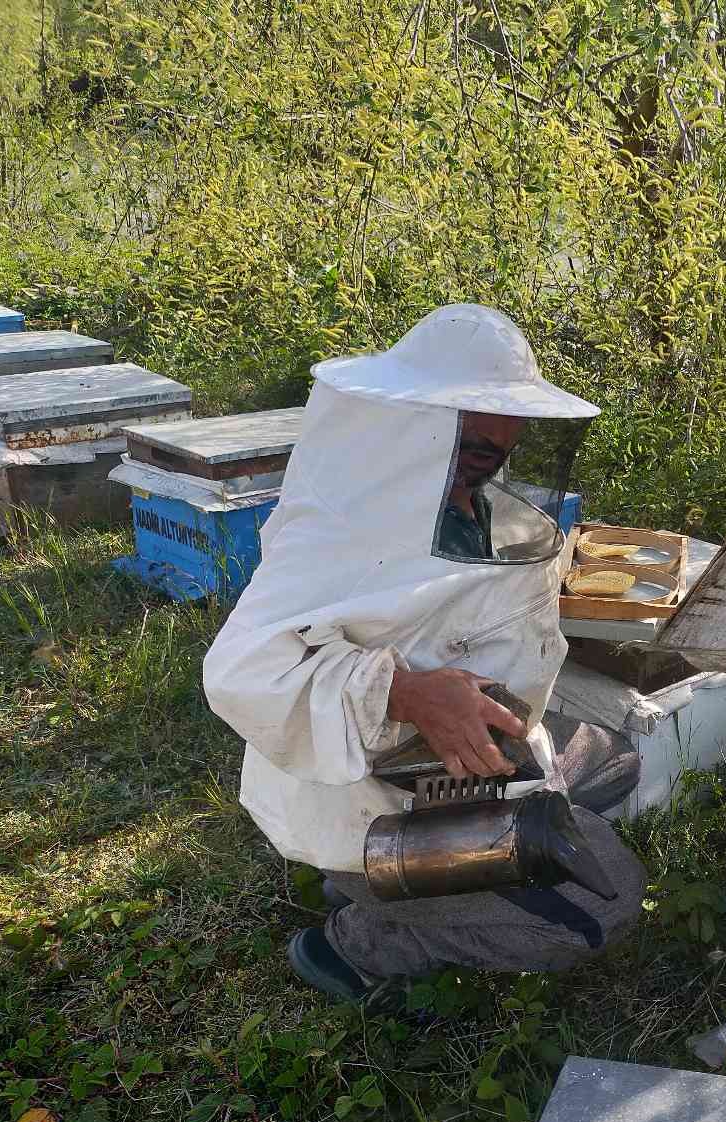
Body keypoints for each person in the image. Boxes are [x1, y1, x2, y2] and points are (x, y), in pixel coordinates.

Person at [203, 304, 647, 1000]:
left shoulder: (476, 505)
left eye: (505, 423)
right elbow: (239, 671)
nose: (498, 439)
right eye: (472, 424)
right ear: (414, 418)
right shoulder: (343, 528)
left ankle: (400, 888)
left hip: (464, 762)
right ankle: (356, 941)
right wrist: (406, 694)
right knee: (604, 906)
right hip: (375, 800)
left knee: (617, 758)